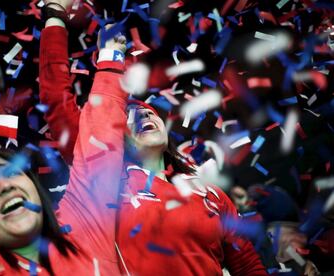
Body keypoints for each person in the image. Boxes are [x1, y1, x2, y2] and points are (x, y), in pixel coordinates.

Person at [39, 1, 267, 275]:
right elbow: (56, 100)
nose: (142, 118)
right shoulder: (105, 178)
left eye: (147, 113)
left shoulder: (209, 193)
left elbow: (247, 264)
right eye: (127, 117)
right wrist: (55, 16)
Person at [0, 1, 128, 274]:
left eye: (14, 172)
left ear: (39, 192)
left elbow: (102, 132)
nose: (4, 185)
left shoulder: (85, 227)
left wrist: (110, 53)